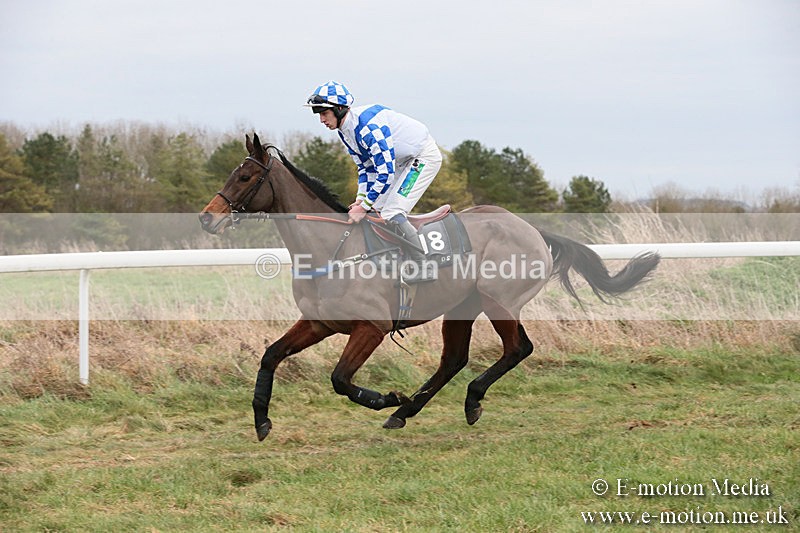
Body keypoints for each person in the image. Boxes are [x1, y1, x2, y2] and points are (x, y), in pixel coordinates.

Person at [304, 81, 443, 282]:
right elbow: (365, 168)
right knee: (374, 209)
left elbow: (384, 174)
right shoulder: (346, 132)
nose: (321, 119)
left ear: (340, 109)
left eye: (324, 113)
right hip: (398, 162)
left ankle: (424, 265)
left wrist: (363, 206)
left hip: (422, 157)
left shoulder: (368, 127)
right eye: (318, 114)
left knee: (392, 212)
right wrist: (361, 201)